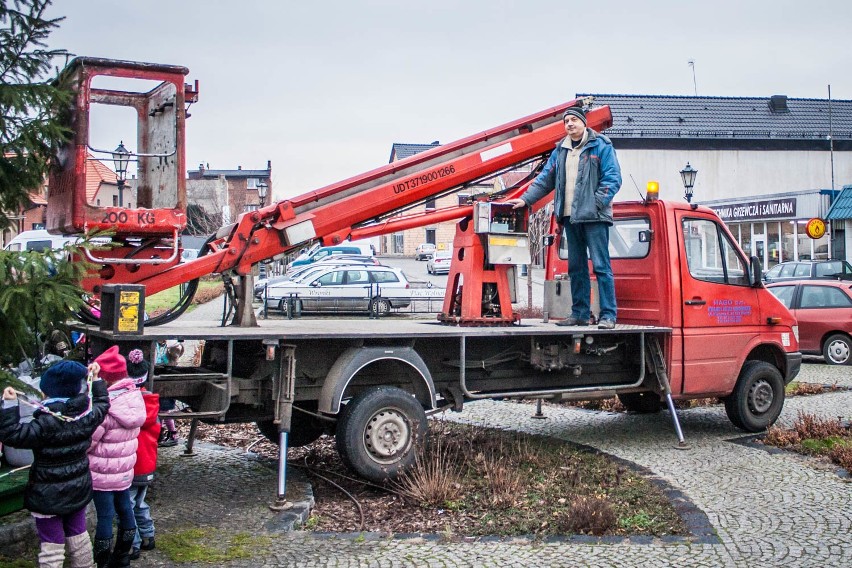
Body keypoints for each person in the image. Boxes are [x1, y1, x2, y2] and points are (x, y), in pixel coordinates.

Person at [506, 104, 622, 329]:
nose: (569, 124)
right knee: (576, 267)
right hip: (570, 217)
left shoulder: (602, 146)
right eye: (566, 121)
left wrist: (596, 204)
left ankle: (608, 316)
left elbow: (613, 178)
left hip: (595, 217)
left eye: (573, 120)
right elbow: (545, 179)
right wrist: (526, 200)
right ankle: (580, 314)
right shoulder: (561, 150)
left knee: (600, 266)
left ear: (584, 122)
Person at [0, 361, 110, 568]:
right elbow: (103, 405)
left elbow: (12, 434)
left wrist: (9, 405)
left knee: (52, 543)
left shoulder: (43, 424)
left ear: (47, 392)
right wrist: (96, 380)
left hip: (46, 493)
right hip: (78, 488)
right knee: (79, 535)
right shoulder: (86, 416)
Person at [87, 346, 146, 568]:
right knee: (125, 510)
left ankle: (101, 560)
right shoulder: (133, 397)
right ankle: (122, 556)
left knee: (105, 516)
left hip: (102, 474)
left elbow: (90, 442)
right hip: (124, 472)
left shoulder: (106, 409)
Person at [124, 349, 160, 560]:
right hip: (147, 465)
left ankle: (132, 544)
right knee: (140, 502)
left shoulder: (126, 406)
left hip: (131, 465)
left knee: (126, 506)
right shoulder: (152, 403)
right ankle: (148, 536)